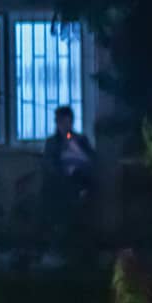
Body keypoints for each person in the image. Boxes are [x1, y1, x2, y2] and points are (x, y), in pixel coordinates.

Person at [41, 106, 97, 262]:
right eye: (61, 121)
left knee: (81, 221)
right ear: (57, 123)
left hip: (80, 185)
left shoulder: (81, 140)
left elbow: (92, 160)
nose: (65, 125)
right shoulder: (52, 143)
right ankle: (60, 252)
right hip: (59, 188)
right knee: (60, 221)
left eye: (67, 121)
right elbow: (49, 165)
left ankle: (81, 255)